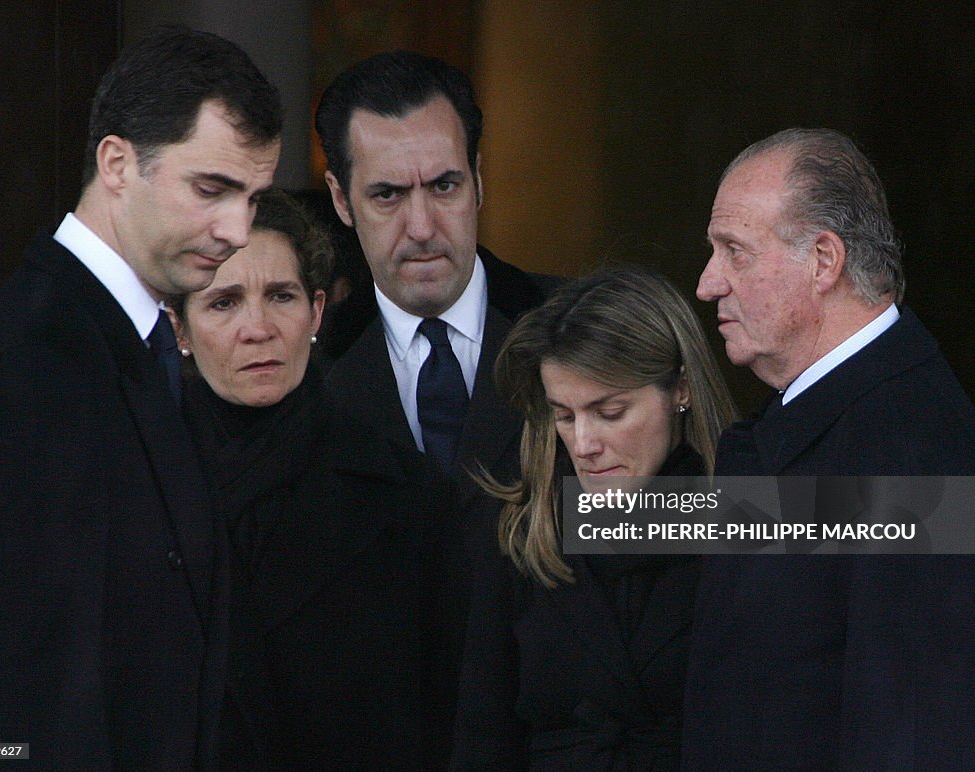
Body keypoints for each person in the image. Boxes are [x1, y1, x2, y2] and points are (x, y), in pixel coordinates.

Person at [0, 26, 281, 768]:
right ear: (117, 163)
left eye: (253, 199)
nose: (237, 230)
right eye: (212, 189)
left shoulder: (132, 342)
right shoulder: (26, 362)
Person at [685, 128, 975, 769]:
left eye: (735, 252)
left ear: (823, 261)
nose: (708, 284)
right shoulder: (815, 420)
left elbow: (913, 735)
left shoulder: (911, 447)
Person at [314, 50, 559, 757]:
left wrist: (884, 514)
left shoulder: (578, 329)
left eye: (445, 185)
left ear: (479, 179)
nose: (422, 226)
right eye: (388, 195)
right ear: (340, 199)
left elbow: (687, 521)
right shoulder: (303, 373)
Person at [170, 189, 449, 769]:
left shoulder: (406, 495)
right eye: (224, 303)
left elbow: (440, 715)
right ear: (179, 330)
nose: (259, 328)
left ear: (317, 312)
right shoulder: (136, 491)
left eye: (281, 296)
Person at [451, 266, 737, 769]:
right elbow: (484, 737)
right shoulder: (524, 534)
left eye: (610, 413)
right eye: (565, 415)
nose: (584, 445)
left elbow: (915, 518)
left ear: (681, 390)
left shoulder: (751, 519)